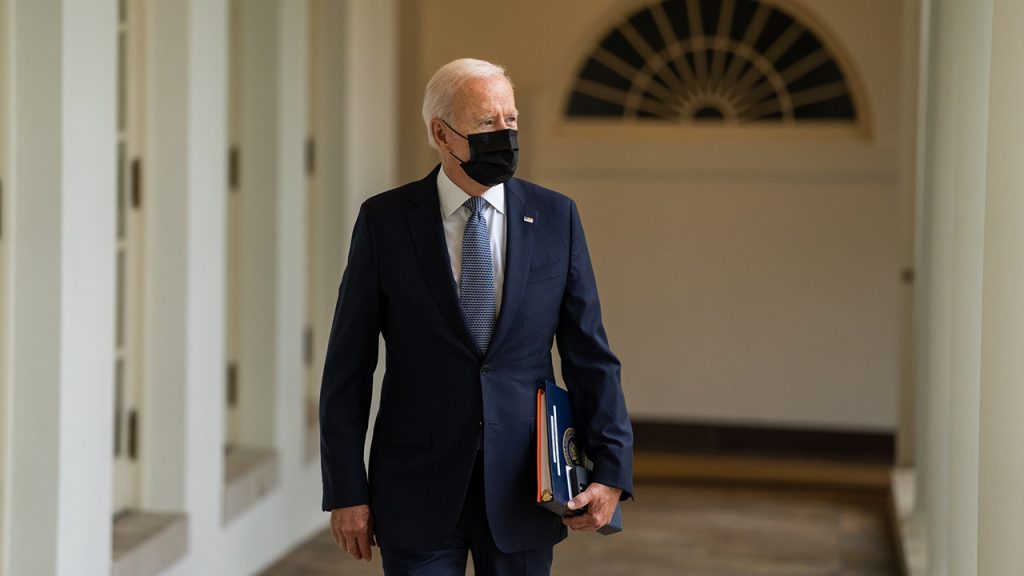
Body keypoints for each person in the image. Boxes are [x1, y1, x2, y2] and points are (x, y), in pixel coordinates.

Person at [320, 57, 633, 576]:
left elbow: (590, 355)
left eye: (511, 121)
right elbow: (347, 367)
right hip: (415, 486)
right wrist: (346, 490)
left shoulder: (557, 217)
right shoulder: (386, 221)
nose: (504, 135)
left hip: (528, 483)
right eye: (487, 123)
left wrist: (611, 470)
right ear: (441, 134)